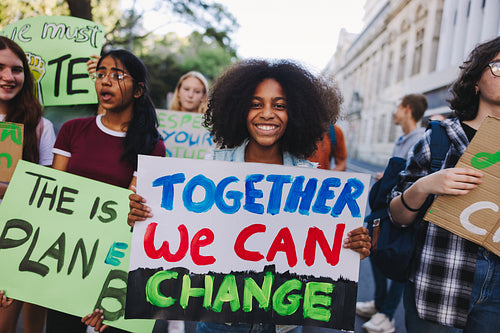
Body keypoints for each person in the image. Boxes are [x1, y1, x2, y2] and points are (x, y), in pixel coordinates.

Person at [128, 59, 371, 333]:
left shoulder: (311, 179)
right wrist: (143, 217)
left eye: (279, 105)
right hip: (219, 320)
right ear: (239, 110)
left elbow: (325, 252)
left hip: (282, 323)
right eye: (256, 104)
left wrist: (352, 247)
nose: (267, 113)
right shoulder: (210, 170)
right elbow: (170, 235)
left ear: (298, 113)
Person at [48, 49, 166, 333]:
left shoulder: (152, 146)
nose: (105, 81)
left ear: (138, 90)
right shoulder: (72, 130)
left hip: (113, 265)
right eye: (100, 74)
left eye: (117, 75)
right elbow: (52, 195)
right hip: (64, 257)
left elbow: (132, 210)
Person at [388, 36, 500, 333]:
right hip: (439, 284)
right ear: (475, 81)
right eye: (499, 66)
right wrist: (426, 185)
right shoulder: (439, 139)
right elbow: (397, 217)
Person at [356, 94, 428, 333]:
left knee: (400, 260)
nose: (395, 111)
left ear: (407, 109)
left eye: (397, 107)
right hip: (386, 209)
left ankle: (387, 315)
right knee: (375, 250)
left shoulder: (421, 139)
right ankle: (378, 304)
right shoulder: (401, 140)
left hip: (406, 213)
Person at [0, 36, 56, 333]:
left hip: (21, 240)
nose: (9, 77)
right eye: (0, 68)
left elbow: (48, 189)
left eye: (17, 69)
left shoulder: (40, 126)